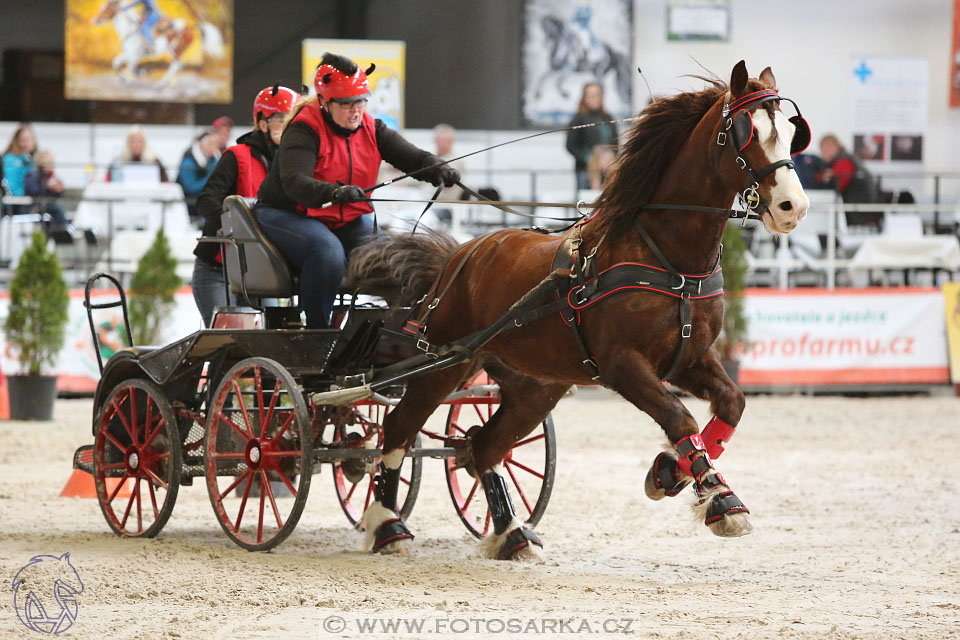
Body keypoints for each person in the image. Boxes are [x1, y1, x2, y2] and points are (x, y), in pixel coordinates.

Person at [256, 52, 460, 329]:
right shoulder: (303, 130)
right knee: (327, 252)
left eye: (361, 101)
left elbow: (413, 158)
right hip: (288, 212)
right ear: (325, 102)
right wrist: (334, 193)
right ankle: (318, 332)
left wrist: (438, 168)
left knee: (390, 259)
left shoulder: (371, 127)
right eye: (347, 103)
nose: (356, 110)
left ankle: (397, 333)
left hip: (343, 214)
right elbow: (295, 182)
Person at [191, 84, 299, 327]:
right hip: (219, 270)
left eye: (294, 121)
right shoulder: (237, 156)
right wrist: (239, 226)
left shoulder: (294, 164)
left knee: (267, 343)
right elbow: (206, 200)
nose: (291, 127)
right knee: (227, 342)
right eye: (283, 120)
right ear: (263, 123)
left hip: (262, 271)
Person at [565, 82, 618, 191]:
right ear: (585, 98)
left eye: (598, 95)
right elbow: (571, 146)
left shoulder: (608, 118)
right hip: (585, 171)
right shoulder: (578, 119)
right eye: (591, 95)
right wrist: (590, 158)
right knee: (588, 202)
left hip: (609, 167)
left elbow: (616, 142)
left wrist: (609, 156)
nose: (595, 98)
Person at [817, 134, 878, 204]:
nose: (825, 152)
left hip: (861, 206)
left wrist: (829, 177)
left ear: (837, 146)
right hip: (858, 205)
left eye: (828, 148)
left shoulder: (844, 161)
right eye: (823, 149)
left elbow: (838, 185)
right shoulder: (831, 163)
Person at [176, 132, 221, 220]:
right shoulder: (188, 161)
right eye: (211, 143)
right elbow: (191, 188)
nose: (215, 147)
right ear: (201, 144)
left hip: (204, 202)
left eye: (216, 144)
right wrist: (211, 176)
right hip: (189, 204)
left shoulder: (213, 159)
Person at [24, 150, 68, 226]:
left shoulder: (51, 176)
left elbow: (58, 195)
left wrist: (58, 190)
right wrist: (48, 187)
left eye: (52, 161)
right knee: (57, 210)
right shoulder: (32, 176)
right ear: (40, 162)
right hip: (36, 207)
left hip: (50, 206)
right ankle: (61, 232)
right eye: (48, 161)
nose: (51, 164)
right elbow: (33, 191)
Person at [2, 124, 37, 197]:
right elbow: (9, 183)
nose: (26, 143)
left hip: (31, 199)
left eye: (29, 139)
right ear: (17, 141)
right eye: (23, 140)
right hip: (14, 199)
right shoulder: (9, 159)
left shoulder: (35, 159)